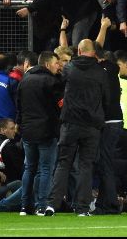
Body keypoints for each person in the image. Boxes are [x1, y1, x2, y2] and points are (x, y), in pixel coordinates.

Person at [43, 39, 111, 217]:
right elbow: (107, 98)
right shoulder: (101, 72)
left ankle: (52, 205)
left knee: (63, 163)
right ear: (93, 52)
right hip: (92, 125)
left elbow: (57, 86)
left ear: (79, 51)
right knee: (86, 166)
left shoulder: (69, 68)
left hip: (70, 123)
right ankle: (82, 208)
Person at [17, 51, 62, 215]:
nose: (59, 67)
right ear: (48, 64)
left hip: (28, 131)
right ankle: (41, 205)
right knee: (45, 169)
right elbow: (60, 106)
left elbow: (19, 107)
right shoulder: (52, 82)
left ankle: (24, 206)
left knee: (29, 168)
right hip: (46, 131)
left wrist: (21, 126)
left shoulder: (25, 80)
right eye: (57, 63)